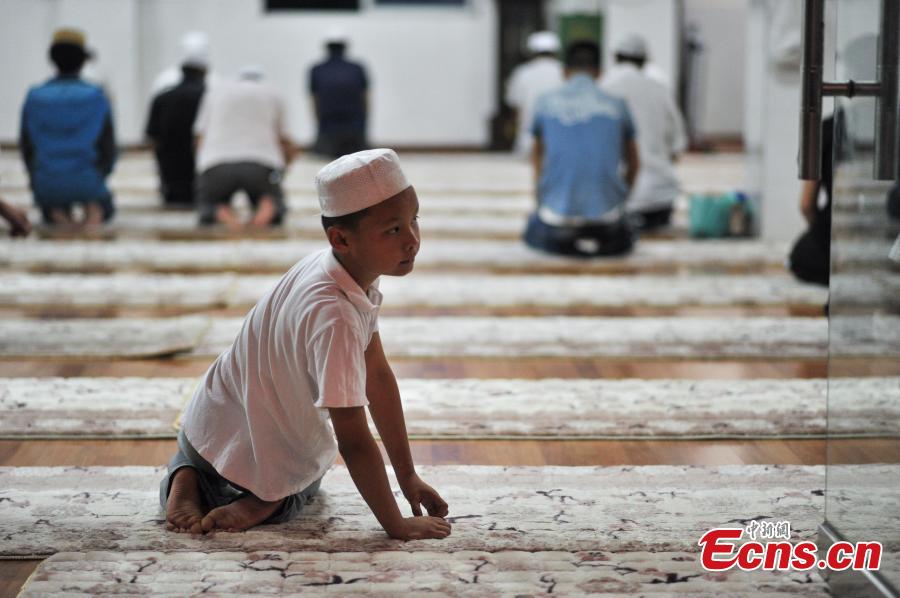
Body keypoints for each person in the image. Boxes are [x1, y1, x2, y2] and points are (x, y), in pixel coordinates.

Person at [161, 148, 451, 541]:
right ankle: (265, 502)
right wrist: (395, 525)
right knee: (312, 469)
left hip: (205, 428)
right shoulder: (336, 316)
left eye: (414, 220)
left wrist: (408, 475)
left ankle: (186, 474)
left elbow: (377, 376)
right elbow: (353, 439)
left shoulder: (337, 265)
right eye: (393, 230)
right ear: (341, 238)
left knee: (228, 455)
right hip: (259, 452)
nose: (412, 241)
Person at [524, 40, 640, 257]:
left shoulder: (544, 102)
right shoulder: (617, 104)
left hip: (556, 221)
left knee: (532, 231)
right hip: (609, 222)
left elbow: (537, 156)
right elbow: (634, 163)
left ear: (564, 71)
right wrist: (621, 199)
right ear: (599, 72)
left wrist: (541, 199)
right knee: (624, 236)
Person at [20, 28, 116, 229]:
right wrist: (97, 176)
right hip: (88, 180)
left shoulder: (34, 97)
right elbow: (108, 148)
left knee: (51, 205)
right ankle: (92, 210)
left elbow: (27, 147)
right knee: (105, 207)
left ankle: (58, 213)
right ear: (83, 61)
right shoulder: (96, 96)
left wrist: (37, 180)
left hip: (46, 184)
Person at [601, 34, 687, 230]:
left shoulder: (604, 89)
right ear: (644, 61)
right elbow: (678, 145)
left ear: (616, 58)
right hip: (660, 198)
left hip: (615, 203)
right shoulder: (660, 89)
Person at [194, 66, 297, 230]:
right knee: (275, 203)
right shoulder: (273, 93)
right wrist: (283, 168)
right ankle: (267, 208)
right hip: (262, 163)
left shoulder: (215, 93)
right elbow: (285, 139)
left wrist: (203, 169)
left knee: (207, 205)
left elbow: (199, 137)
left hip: (216, 162)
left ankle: (221, 212)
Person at [145, 56, 208, 209]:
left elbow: (151, 134)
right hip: (199, 175)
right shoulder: (208, 97)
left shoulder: (162, 98)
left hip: (170, 175)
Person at [789, 111, 840, 286]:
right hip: (888, 234)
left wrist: (820, 234)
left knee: (800, 259)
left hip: (835, 231)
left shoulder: (826, 129)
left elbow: (806, 205)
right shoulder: (891, 124)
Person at [309, 30, 369, 158]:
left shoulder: (317, 70)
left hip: (327, 128)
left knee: (329, 165)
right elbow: (365, 99)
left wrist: (319, 125)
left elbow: (315, 101)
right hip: (355, 128)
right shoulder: (357, 68)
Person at [505, 31, 564, 157]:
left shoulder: (522, 72)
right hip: (559, 140)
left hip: (527, 140)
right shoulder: (564, 72)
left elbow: (515, 108)